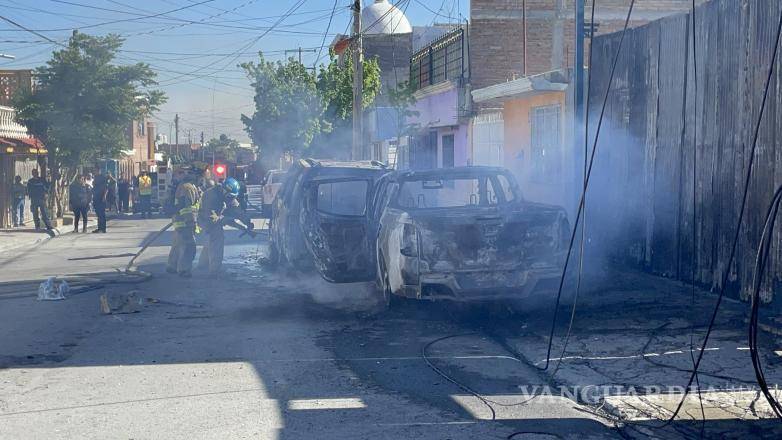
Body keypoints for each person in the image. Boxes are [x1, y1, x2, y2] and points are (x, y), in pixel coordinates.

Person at [197, 177, 254, 276]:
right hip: (206, 219)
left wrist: (247, 222)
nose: (231, 199)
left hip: (217, 217)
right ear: (224, 190)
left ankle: (202, 265)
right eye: (230, 196)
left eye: (233, 197)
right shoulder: (210, 195)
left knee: (210, 241)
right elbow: (213, 218)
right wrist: (233, 223)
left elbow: (237, 210)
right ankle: (215, 270)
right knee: (217, 238)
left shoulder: (229, 195)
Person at [167, 171, 201, 278]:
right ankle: (184, 270)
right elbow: (186, 207)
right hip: (185, 221)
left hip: (179, 220)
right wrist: (191, 221)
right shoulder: (188, 188)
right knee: (189, 246)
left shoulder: (185, 186)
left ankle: (172, 266)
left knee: (178, 243)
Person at [26, 168, 53, 233]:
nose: (35, 174)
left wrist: (47, 190)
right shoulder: (30, 181)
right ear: (32, 174)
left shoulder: (42, 180)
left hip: (41, 199)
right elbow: (28, 190)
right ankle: (37, 226)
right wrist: (30, 195)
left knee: (44, 212)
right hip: (34, 199)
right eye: (34, 173)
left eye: (36, 173)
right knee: (35, 213)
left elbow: (47, 187)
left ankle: (48, 226)